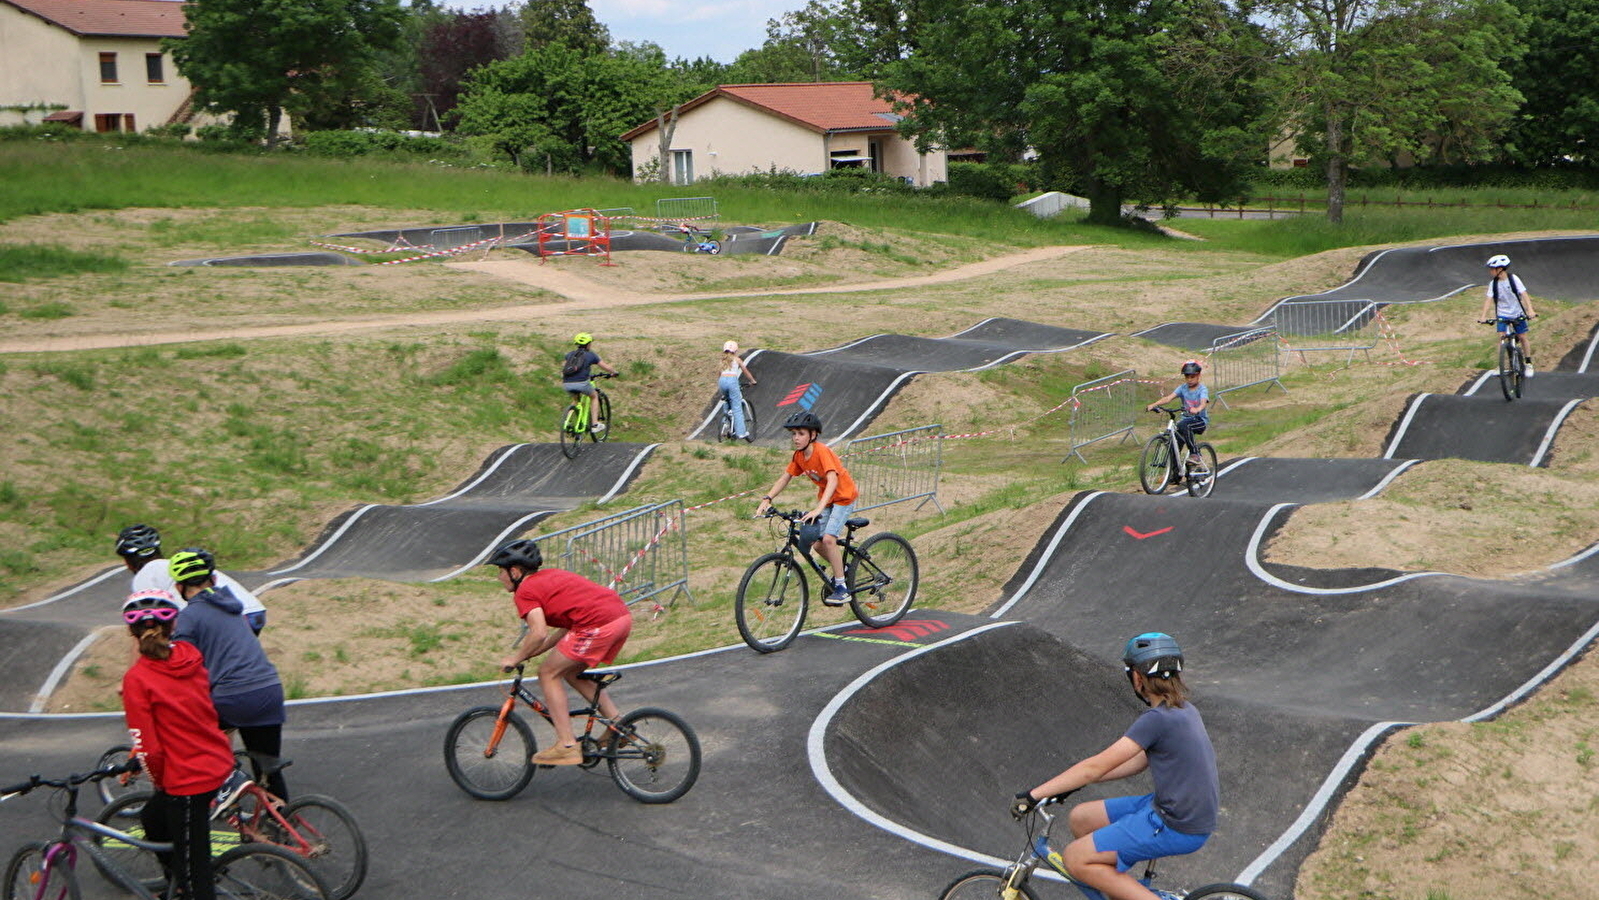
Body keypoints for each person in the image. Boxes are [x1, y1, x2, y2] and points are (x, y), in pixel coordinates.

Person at [1011, 633, 1219, 900]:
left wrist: (1033, 796)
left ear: (1137, 677)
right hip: (1178, 810)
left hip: (1175, 823)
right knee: (1081, 818)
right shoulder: (1183, 710)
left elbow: (1094, 767)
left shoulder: (1156, 719)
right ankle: (1120, 890)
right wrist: (1075, 785)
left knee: (1075, 858)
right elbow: (1138, 761)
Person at [121, 590, 246, 900]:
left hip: (187, 780)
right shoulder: (190, 655)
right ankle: (175, 880)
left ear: (130, 631)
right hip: (216, 761)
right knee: (152, 818)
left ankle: (187, 884)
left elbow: (149, 749)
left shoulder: (138, 678)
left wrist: (161, 782)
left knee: (196, 877)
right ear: (174, 624)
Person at [486, 538, 633, 766]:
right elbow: (565, 628)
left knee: (547, 673)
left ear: (514, 571)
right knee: (569, 672)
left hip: (598, 624)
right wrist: (531, 653)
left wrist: (515, 657)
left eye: (500, 571)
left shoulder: (525, 591)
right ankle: (619, 726)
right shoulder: (550, 576)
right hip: (619, 617)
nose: (498, 577)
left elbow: (538, 633)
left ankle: (566, 745)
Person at [167, 548, 289, 802]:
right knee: (267, 768)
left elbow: (181, 666)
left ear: (179, 587)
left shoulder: (188, 617)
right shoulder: (234, 607)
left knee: (192, 743)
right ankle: (280, 828)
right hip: (269, 689)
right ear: (213, 580)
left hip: (233, 697)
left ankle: (223, 788)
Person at [755, 411, 859, 605]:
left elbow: (833, 480)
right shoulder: (799, 456)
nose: (795, 438)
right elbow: (786, 477)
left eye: (801, 433)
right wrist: (767, 498)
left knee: (828, 540)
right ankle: (842, 571)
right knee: (817, 544)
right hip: (828, 500)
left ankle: (842, 588)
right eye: (793, 434)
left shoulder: (821, 451)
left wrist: (818, 509)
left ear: (813, 435)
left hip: (844, 497)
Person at [115, 523, 268, 633]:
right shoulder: (173, 565)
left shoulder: (145, 576)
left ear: (128, 562)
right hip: (253, 610)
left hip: (231, 617)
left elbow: (149, 616)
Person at [1479, 254, 1537, 377]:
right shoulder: (1493, 284)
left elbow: (1524, 295)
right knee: (1501, 338)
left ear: (1500, 269)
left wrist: (1530, 310)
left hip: (1517, 313)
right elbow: (1488, 300)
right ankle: (1501, 366)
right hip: (1503, 314)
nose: (1490, 271)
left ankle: (1528, 363)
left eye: (1492, 269)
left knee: (1522, 337)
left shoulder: (1513, 279)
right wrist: (1483, 316)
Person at [1146, 362, 1209, 473]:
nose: (1189, 379)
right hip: (1185, 421)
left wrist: (1198, 409)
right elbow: (1168, 398)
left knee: (1184, 425)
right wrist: (1154, 404)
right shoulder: (1183, 388)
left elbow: (1203, 402)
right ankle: (1174, 475)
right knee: (1174, 442)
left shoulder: (1202, 389)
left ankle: (1195, 454)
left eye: (1192, 377)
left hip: (1199, 421)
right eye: (1187, 377)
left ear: (1199, 375)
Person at [560, 332, 619, 433]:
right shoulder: (591, 355)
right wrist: (614, 372)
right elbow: (605, 366)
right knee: (594, 396)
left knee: (575, 401)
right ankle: (595, 424)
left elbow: (565, 367)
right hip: (582, 383)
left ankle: (566, 422)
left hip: (567, 383)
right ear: (588, 344)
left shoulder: (569, 354)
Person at [717, 340, 757, 441]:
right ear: (735, 350)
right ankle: (741, 433)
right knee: (737, 407)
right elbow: (745, 371)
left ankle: (725, 425)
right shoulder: (737, 359)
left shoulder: (722, 361)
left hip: (722, 381)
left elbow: (719, 374)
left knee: (727, 402)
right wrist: (752, 381)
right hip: (732, 381)